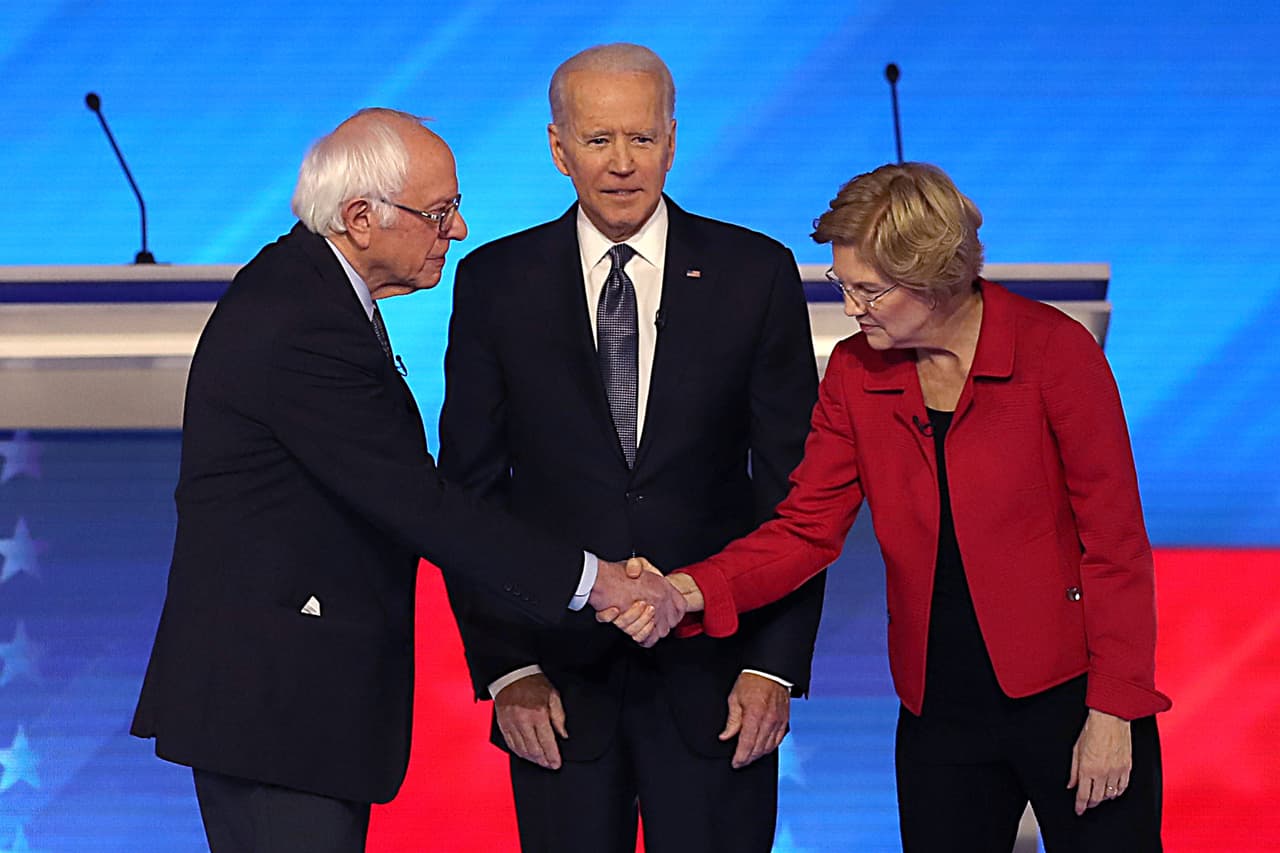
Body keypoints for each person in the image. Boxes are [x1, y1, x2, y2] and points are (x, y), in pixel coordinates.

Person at [129, 108, 684, 853]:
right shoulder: (300, 320)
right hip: (273, 709)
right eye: (440, 211)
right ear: (361, 217)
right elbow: (423, 505)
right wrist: (600, 581)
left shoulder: (315, 292)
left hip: (292, 705)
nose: (457, 231)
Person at [638, 162, 1171, 851]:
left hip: (1070, 700)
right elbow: (804, 531)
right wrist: (682, 591)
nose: (852, 306)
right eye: (844, 284)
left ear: (932, 279)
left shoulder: (1053, 354)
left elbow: (1116, 542)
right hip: (939, 709)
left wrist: (1114, 707)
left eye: (868, 290)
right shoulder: (858, 374)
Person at [437, 44, 825, 853]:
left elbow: (795, 493)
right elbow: (469, 495)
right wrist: (507, 667)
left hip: (721, 682)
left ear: (673, 141)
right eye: (599, 140)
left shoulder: (754, 273)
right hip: (557, 689)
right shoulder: (494, 282)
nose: (621, 165)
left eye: (642, 140)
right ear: (558, 149)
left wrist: (774, 667)